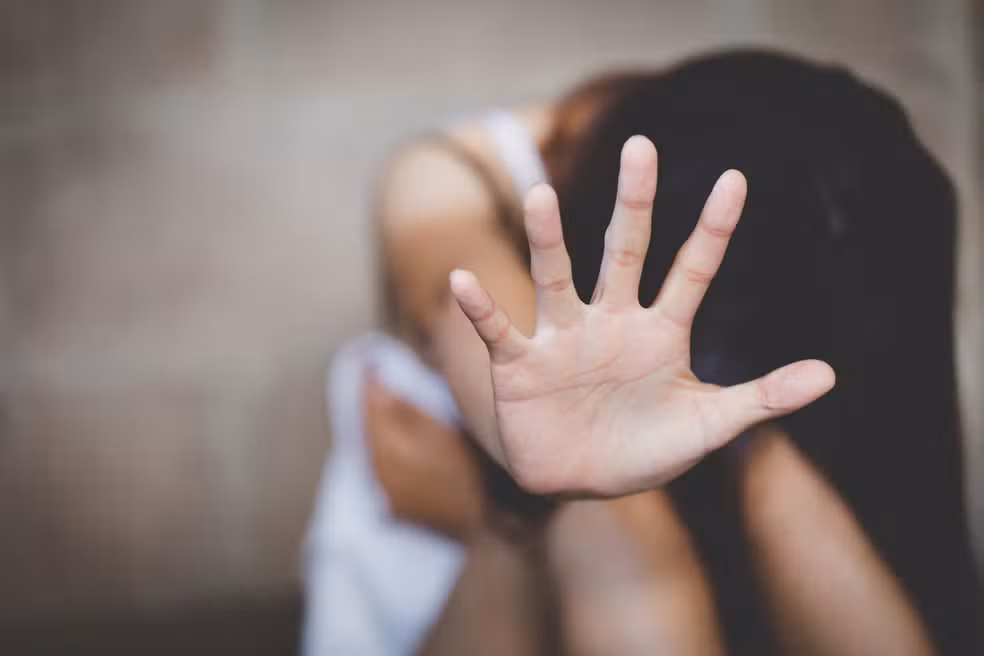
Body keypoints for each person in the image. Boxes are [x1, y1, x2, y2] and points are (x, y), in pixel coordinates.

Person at [303, 50, 979, 655]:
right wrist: (536, 455)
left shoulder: (818, 210)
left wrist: (751, 446)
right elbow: (449, 288)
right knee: (604, 521)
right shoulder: (458, 172)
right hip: (502, 582)